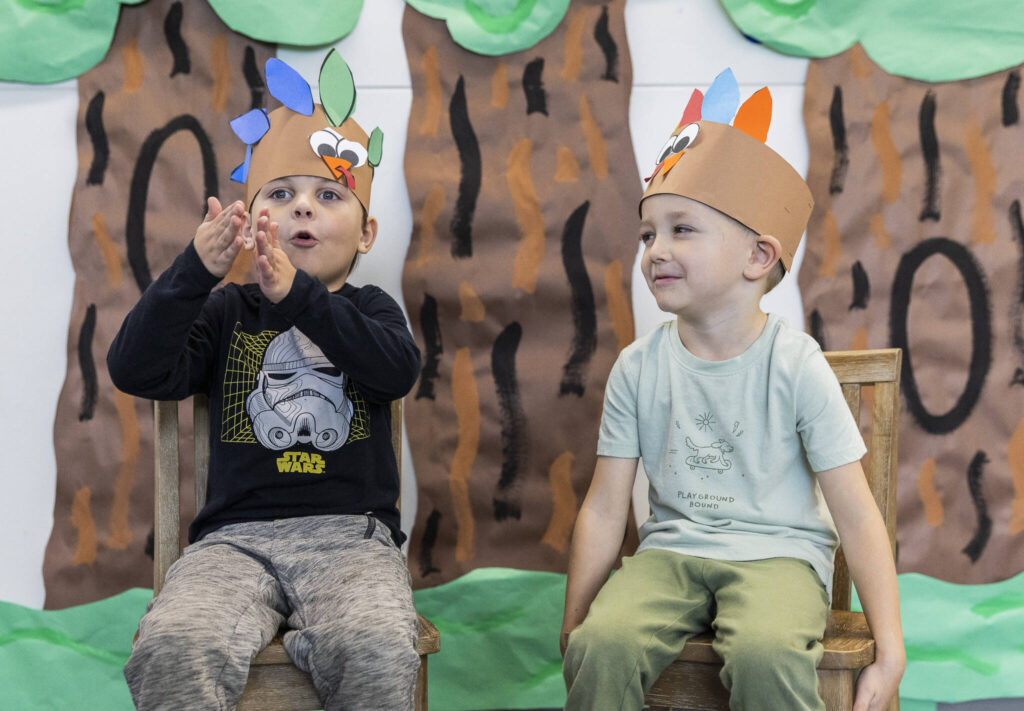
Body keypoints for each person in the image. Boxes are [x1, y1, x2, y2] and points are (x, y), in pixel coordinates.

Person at [560, 76, 905, 711]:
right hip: (672, 553)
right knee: (602, 646)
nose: (655, 250)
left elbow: (856, 513)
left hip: (780, 556)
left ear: (757, 256)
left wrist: (892, 649)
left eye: (681, 229)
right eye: (647, 234)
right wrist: (577, 621)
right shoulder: (638, 368)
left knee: (766, 652)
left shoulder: (796, 364)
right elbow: (606, 509)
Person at [108, 52, 422, 710]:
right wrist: (195, 273)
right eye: (280, 194)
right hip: (233, 543)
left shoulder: (370, 311)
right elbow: (135, 367)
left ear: (366, 233)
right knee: (173, 643)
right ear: (252, 225)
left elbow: (395, 372)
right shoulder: (225, 312)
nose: (302, 208)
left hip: (351, 539)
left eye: (327, 195)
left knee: (375, 643)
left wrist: (303, 298)